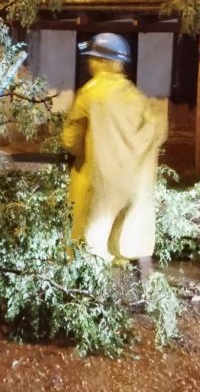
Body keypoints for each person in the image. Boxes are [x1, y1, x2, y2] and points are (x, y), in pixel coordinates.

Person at [61, 33, 167, 281]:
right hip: (134, 185)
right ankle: (146, 292)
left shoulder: (90, 94)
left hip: (99, 182)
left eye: (92, 58)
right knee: (133, 238)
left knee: (90, 242)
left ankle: (88, 298)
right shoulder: (137, 97)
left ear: (101, 61)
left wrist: (79, 154)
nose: (89, 64)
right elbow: (156, 133)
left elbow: (70, 140)